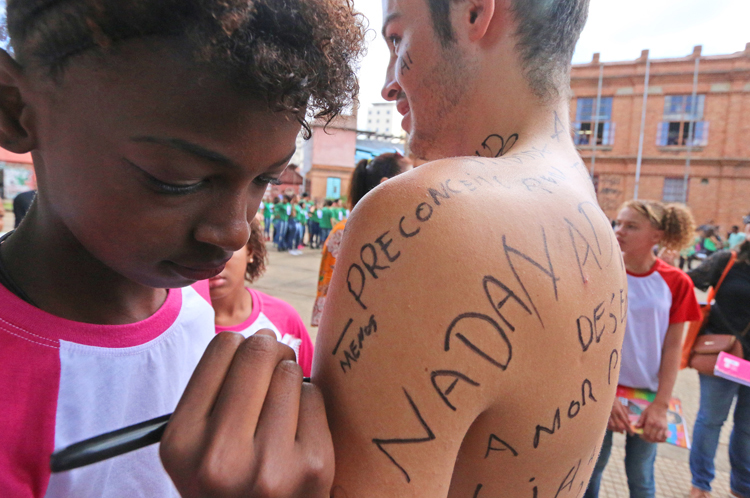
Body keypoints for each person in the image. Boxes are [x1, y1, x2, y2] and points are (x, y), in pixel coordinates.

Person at [166, 0, 629, 496]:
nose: (388, 83)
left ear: (474, 12)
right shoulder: (593, 222)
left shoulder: (435, 215)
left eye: (397, 38)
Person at [0, 0, 363, 496]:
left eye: (265, 179)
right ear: (14, 107)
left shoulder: (195, 310)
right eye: (176, 179)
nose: (236, 232)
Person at [585, 200, 701, 498]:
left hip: (648, 398)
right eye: (618, 223)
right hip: (601, 394)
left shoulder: (677, 282)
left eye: (631, 226)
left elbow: (673, 348)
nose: (619, 231)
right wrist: (605, 396)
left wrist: (661, 405)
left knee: (641, 477)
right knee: (589, 474)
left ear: (657, 236)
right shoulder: (598, 271)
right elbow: (586, 341)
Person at [686, 217, 750, 498]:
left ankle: (742, 487)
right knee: (711, 420)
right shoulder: (727, 261)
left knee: (747, 427)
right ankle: (700, 484)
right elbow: (687, 282)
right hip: (723, 356)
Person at [311, 153, 410, 327]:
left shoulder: (402, 231)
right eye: (412, 178)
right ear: (387, 186)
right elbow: (328, 295)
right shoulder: (345, 232)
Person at [209, 218, 314, 376]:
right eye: (196, 250)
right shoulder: (179, 329)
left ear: (249, 252)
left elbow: (311, 382)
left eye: (227, 246)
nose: (212, 261)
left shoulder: (285, 317)